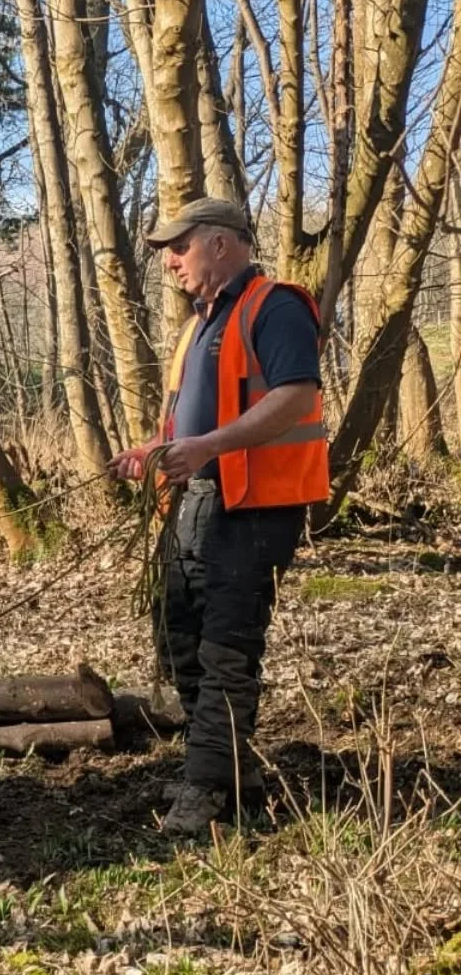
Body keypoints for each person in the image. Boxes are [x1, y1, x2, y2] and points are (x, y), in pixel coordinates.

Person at [111, 197, 329, 837]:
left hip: (257, 506)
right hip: (198, 502)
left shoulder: (276, 306)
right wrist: (158, 449)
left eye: (179, 246)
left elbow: (295, 397)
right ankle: (236, 771)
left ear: (223, 243)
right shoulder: (201, 322)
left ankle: (207, 790)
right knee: (177, 636)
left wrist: (207, 447)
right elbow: (192, 418)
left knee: (225, 647)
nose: (170, 261)